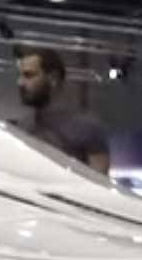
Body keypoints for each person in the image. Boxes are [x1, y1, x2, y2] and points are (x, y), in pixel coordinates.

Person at [14, 46, 109, 174]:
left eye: (29, 75)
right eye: (20, 76)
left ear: (53, 79)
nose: (20, 82)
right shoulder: (23, 126)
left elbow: (99, 180)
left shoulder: (87, 127)